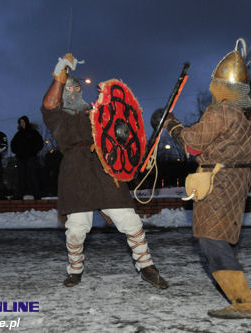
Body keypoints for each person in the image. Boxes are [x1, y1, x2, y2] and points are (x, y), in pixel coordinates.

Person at [40, 53, 168, 289]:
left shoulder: (97, 114)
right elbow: (49, 103)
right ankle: (75, 269)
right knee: (76, 229)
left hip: (105, 169)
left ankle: (147, 266)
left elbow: (122, 132)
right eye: (68, 87)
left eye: (75, 87)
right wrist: (61, 72)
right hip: (76, 172)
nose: (73, 90)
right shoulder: (57, 118)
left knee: (130, 220)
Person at [161, 39, 251, 318]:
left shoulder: (221, 111)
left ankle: (243, 304)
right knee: (218, 238)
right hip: (238, 178)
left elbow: (193, 144)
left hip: (218, 181)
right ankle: (240, 301)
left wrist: (171, 124)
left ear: (222, 85)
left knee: (211, 240)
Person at [10, 116, 43, 200]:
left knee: (32, 175)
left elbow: (40, 143)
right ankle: (19, 195)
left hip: (31, 158)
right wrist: (17, 152)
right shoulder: (18, 134)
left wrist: (33, 152)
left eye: (23, 122)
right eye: (20, 122)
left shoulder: (33, 132)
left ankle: (37, 195)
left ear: (27, 122)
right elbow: (13, 145)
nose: (22, 124)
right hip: (20, 158)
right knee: (21, 176)